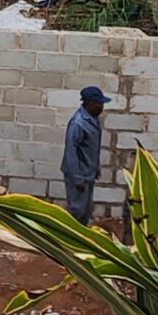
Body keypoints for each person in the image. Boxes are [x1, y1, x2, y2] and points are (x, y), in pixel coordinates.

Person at [61, 86, 110, 224]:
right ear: (89, 103)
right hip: (78, 174)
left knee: (86, 211)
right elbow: (70, 152)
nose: (102, 107)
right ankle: (57, 228)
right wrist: (77, 178)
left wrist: (96, 168)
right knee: (77, 210)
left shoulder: (93, 120)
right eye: (99, 103)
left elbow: (92, 148)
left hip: (88, 173)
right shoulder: (78, 123)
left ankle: (79, 235)